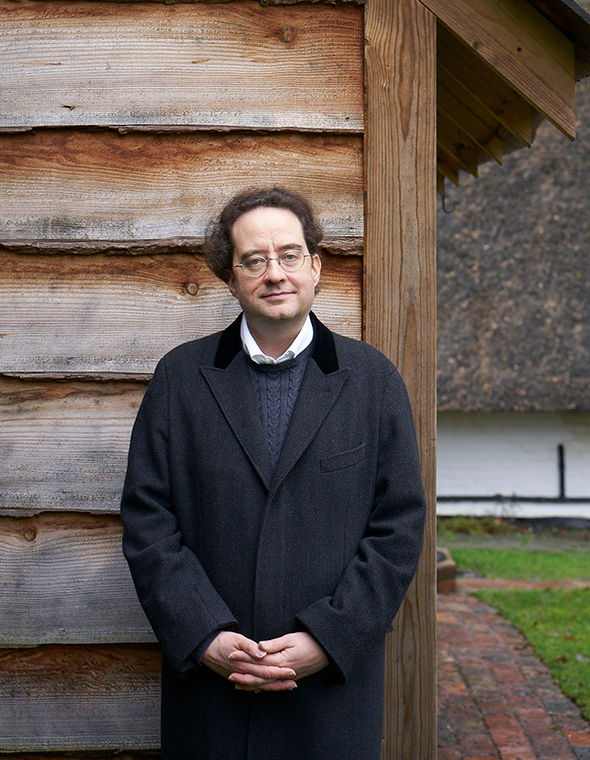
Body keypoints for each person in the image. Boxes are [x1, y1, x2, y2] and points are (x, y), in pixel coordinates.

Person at [121, 186, 425, 760]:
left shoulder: (372, 381)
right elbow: (147, 521)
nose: (275, 273)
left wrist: (328, 639)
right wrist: (203, 635)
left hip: (329, 697)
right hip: (213, 692)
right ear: (231, 279)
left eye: (289, 254)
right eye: (254, 260)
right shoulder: (180, 379)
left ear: (316, 267)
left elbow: (398, 527)